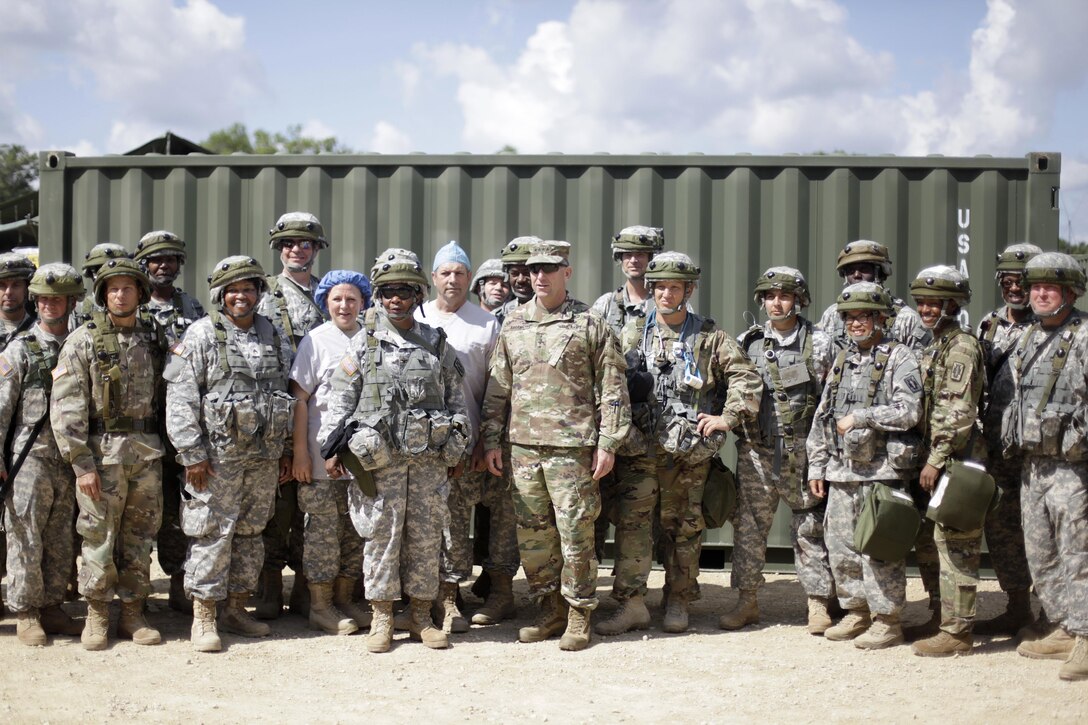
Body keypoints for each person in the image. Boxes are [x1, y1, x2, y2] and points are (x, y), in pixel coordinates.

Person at [482, 240, 631, 651]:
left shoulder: (590, 323)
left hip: (572, 449)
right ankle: (549, 610)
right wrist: (492, 439)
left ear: (567, 271)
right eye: (533, 271)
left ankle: (580, 613)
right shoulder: (513, 323)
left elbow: (613, 389)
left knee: (576, 532)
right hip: (524, 448)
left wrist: (608, 442)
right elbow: (499, 389)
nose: (540, 277)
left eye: (549, 269)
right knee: (534, 535)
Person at [320, 248, 470, 654]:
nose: (396, 299)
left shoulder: (436, 342)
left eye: (404, 291)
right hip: (379, 462)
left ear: (418, 294)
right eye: (388, 291)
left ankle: (420, 615)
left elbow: (456, 398)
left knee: (424, 538)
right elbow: (340, 399)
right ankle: (383, 616)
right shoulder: (363, 344)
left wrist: (457, 449)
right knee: (382, 537)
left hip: (428, 461)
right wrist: (331, 449)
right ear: (379, 296)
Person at [618, 252, 760, 634]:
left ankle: (678, 599)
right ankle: (632, 602)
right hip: (641, 450)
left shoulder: (709, 338)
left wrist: (726, 418)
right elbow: (608, 382)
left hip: (688, 453)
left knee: (684, 527)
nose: (666, 294)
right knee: (633, 526)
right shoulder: (633, 333)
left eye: (674, 288)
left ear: (689, 290)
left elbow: (746, 379)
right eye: (660, 287)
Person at [164, 256, 294, 652]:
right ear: (221, 294)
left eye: (249, 288)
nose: (241, 296)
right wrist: (191, 454)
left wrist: (285, 451)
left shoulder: (273, 335)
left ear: (259, 293)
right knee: (211, 533)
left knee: (251, 533)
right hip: (216, 461)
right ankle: (204, 616)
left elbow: (286, 395)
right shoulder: (202, 335)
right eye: (233, 289)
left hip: (263, 458)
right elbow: (181, 399)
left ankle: (236, 608)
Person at [51, 258, 167, 651]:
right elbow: (66, 407)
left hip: (147, 455)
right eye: (113, 289)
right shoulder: (82, 340)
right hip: (101, 457)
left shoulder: (154, 338)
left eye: (128, 288)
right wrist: (81, 464)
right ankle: (98, 613)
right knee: (98, 537)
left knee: (139, 537)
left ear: (140, 293)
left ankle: (133, 612)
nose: (120, 294)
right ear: (103, 295)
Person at [807, 282, 923, 650]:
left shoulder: (900, 357)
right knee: (841, 547)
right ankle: (856, 611)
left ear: (881, 318)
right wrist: (816, 466)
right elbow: (822, 417)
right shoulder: (843, 359)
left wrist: (863, 417)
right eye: (850, 318)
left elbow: (910, 411)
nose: (856, 324)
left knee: (880, 548)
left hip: (881, 473)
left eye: (863, 316)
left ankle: (887, 619)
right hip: (842, 472)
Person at [723, 267, 835, 635]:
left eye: (784, 296)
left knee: (809, 528)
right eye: (770, 296)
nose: (776, 302)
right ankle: (747, 601)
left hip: (802, 453)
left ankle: (817, 603)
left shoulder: (820, 343)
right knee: (749, 529)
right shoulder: (749, 341)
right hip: (756, 452)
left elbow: (830, 403)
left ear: (799, 300)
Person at [416, 241, 515, 632]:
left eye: (460, 273)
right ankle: (448, 598)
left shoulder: (486, 323)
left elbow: (496, 385)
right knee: (449, 523)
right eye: (446, 273)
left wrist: (484, 440)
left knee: (502, 516)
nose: (453, 279)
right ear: (434, 278)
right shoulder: (418, 318)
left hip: (479, 440)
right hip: (434, 446)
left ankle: (501, 592)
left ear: (469, 279)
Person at [1002, 252, 1088, 680]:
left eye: (1049, 288)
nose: (1038, 294)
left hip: (1072, 469)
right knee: (1042, 552)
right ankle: (1062, 625)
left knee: (1079, 554)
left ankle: (1087, 637)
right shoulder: (1030, 337)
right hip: (1033, 466)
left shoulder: (1085, 336)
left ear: (1070, 294)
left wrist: (1073, 438)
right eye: (1034, 287)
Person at [0, 264, 86, 645]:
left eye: (58, 299)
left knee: (60, 538)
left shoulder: (81, 345)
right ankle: (26, 611)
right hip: (29, 460)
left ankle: (52, 606)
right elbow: (1, 409)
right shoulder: (20, 350)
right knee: (25, 536)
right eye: (45, 299)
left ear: (72, 302)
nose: (50, 305)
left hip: (71, 460)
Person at [906, 267, 986, 657]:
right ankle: (941, 616)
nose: (925, 308)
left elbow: (959, 413)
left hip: (958, 461)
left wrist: (936, 458)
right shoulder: (935, 343)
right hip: (937, 459)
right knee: (930, 542)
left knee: (956, 545)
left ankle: (958, 630)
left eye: (933, 303)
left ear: (952, 305)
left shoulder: (960, 347)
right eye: (921, 301)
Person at [290, 270, 372, 636]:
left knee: (356, 532)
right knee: (322, 533)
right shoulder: (316, 341)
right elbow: (300, 398)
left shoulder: (374, 340)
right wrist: (301, 455)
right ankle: (320, 605)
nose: (344, 305)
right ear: (326, 302)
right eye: (337, 299)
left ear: (363, 303)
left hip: (362, 462)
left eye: (352, 299)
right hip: (321, 458)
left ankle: (345, 598)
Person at [256, 211, 330, 619]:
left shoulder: (329, 294)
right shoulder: (261, 292)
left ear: (316, 249)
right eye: (289, 243)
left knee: (311, 507)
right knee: (273, 506)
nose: (297, 249)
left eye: (305, 243)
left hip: (315, 415)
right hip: (272, 414)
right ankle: (268, 585)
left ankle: (305, 585)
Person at [133, 230, 207, 613]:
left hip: (182, 424)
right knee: (142, 508)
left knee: (182, 508)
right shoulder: (133, 305)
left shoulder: (192, 307)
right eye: (156, 260)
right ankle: (138, 589)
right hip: (141, 424)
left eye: (171, 260)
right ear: (143, 264)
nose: (164, 266)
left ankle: (180, 582)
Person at [973, 243, 1040, 637]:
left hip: (1035, 448)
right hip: (997, 446)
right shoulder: (990, 323)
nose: (1015, 289)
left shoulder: (1051, 324)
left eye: (1023, 281)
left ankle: (1053, 614)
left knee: (1040, 530)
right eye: (1008, 281)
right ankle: (1017, 607)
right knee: (1001, 528)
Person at [0, 251, 36, 620]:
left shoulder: (42, 330)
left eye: (15, 284)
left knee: (25, 522)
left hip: (31, 442)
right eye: (2, 285)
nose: (8, 292)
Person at [591, 225, 663, 336]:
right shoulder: (606, 304)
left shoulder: (668, 302)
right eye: (628, 255)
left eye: (640, 254)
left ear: (651, 258)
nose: (633, 260)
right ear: (621, 259)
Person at [71, 243, 129, 330]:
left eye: (112, 270)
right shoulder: (77, 310)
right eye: (98, 270)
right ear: (91, 273)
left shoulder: (136, 307)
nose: (104, 275)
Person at [493, 236, 541, 323]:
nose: (520, 280)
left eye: (527, 273)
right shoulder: (498, 318)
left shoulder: (566, 313)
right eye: (514, 274)